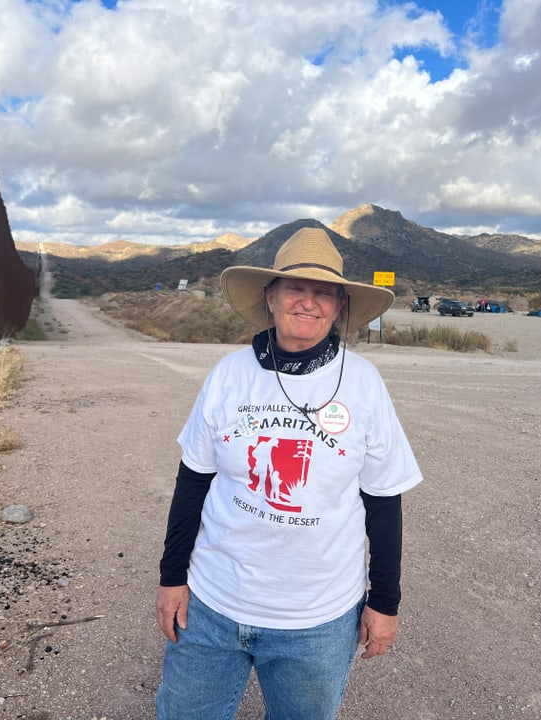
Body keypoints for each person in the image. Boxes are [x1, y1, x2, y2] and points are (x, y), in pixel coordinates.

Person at [155, 226, 423, 720]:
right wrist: (172, 577)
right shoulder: (229, 375)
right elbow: (193, 480)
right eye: (295, 288)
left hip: (318, 619)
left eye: (324, 292)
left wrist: (385, 602)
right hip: (213, 602)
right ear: (271, 297)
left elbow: (384, 501)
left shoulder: (363, 384)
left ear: (340, 305)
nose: (309, 302)